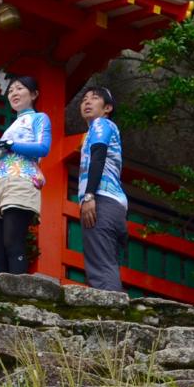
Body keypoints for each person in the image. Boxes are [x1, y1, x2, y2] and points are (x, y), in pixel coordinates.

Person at [0, 75, 51, 275]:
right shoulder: (11, 127)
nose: (14, 93)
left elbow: (43, 148)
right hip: (0, 182)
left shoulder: (39, 118)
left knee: (12, 240)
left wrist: (10, 145)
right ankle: (0, 292)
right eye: (11, 91)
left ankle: (17, 291)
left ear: (34, 94)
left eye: (19, 88)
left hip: (22, 179)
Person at [77, 85, 127, 291]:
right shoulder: (100, 129)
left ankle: (111, 316)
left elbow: (98, 154)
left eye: (94, 98)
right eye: (84, 99)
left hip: (102, 199)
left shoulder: (101, 124)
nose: (87, 102)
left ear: (107, 108)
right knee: (106, 261)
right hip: (114, 203)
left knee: (101, 266)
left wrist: (89, 196)